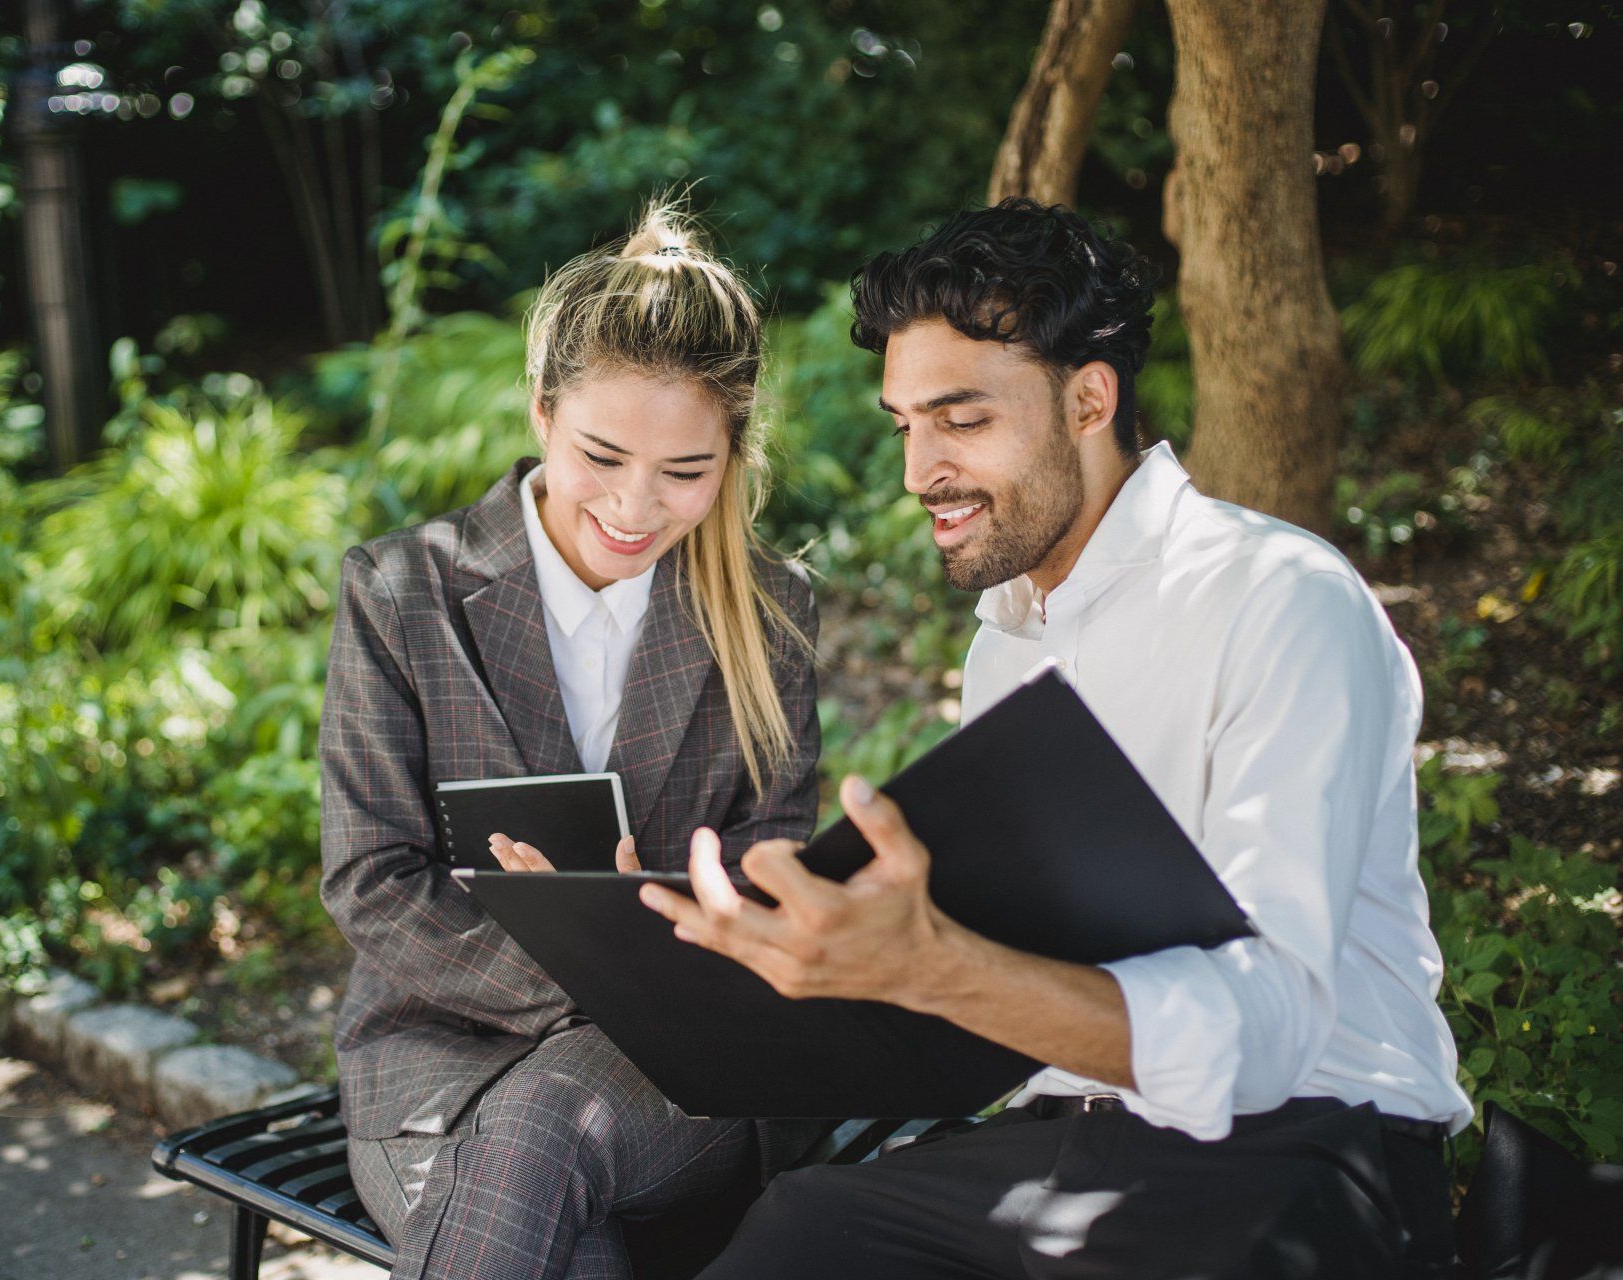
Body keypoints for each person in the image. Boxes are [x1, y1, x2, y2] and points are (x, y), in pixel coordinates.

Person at [642, 199, 1473, 1279]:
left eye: (962, 419)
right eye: (906, 424)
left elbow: (1266, 1034)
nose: (917, 471)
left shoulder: (1282, 599)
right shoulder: (1010, 645)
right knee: (796, 1233)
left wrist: (935, 965)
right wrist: (794, 948)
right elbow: (1004, 974)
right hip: (1059, 1142)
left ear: (1090, 397)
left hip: (1307, 1144)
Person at [317, 202, 821, 1280]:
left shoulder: (769, 611)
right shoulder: (404, 592)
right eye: (603, 454)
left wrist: (655, 950)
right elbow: (371, 877)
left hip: (672, 1066)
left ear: (732, 455)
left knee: (547, 1126)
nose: (638, 506)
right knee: (573, 1243)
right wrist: (596, 968)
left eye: (687, 471)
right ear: (542, 412)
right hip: (436, 1056)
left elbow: (771, 860)